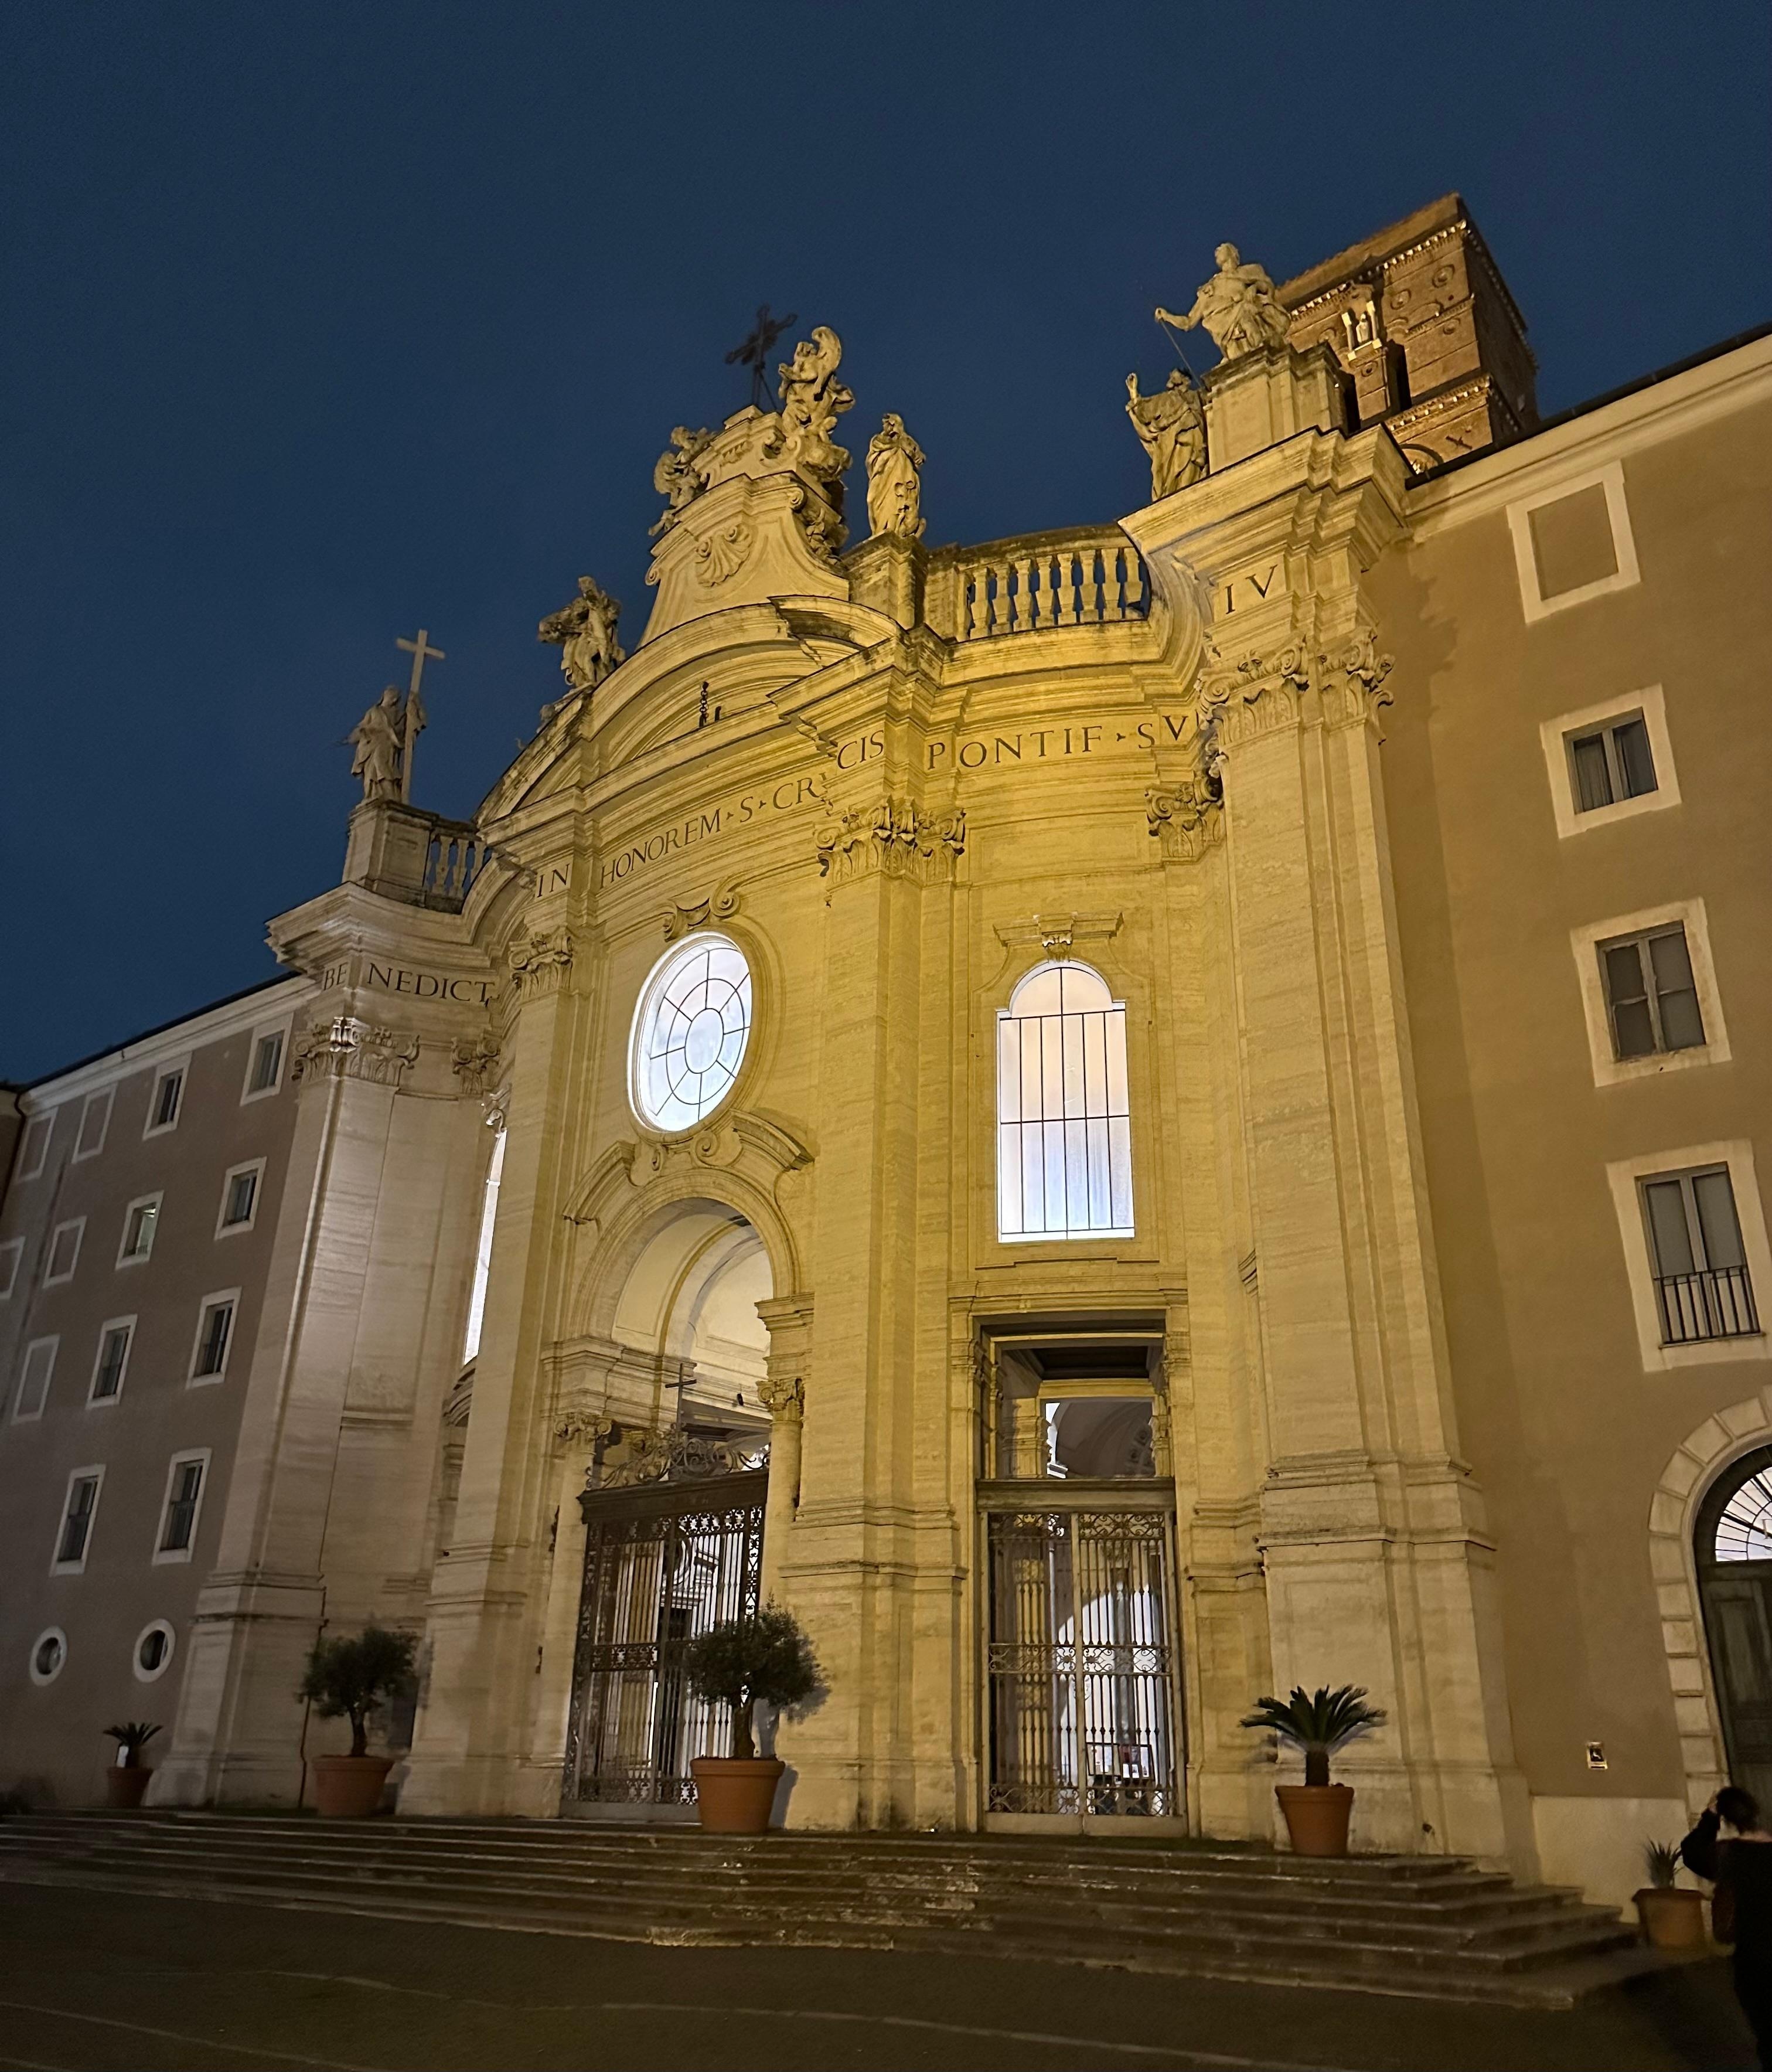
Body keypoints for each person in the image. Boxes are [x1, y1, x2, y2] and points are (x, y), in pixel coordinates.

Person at [1682, 1785, 1772, 2065]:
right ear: (1756, 1812)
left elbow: (1691, 1851)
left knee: (1767, 2031)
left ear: (1728, 1820)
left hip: (1755, 1958)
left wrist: (1709, 1817)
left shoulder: (1727, 1856)